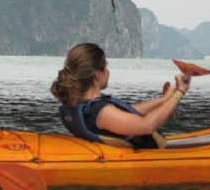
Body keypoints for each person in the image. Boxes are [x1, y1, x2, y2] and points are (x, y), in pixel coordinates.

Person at [51, 43, 191, 149]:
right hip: (149, 156)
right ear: (97, 74)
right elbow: (146, 126)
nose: (108, 72)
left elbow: (126, 113)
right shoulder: (99, 111)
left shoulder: (80, 104)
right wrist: (180, 92)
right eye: (106, 67)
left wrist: (164, 100)